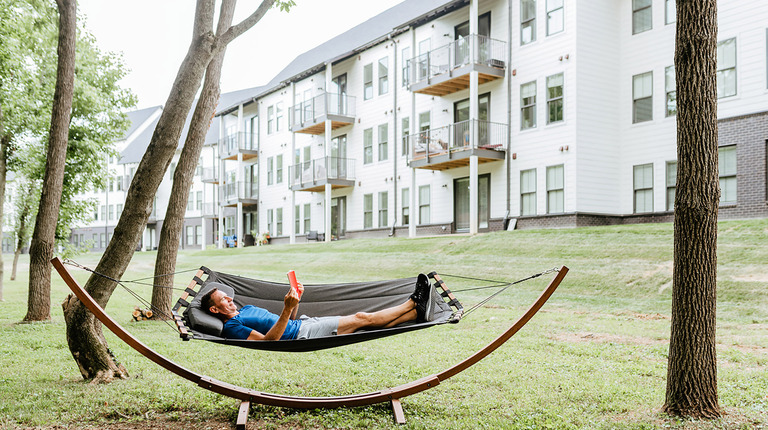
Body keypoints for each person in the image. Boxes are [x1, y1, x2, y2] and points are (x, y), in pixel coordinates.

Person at [201, 274, 435, 341]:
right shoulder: (233, 325)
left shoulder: (246, 308)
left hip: (301, 324)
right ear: (214, 310)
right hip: (302, 334)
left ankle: (416, 313)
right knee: (362, 317)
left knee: (363, 324)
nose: (230, 299)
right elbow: (268, 342)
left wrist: (295, 302)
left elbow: (288, 319)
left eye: (228, 296)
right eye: (224, 300)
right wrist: (285, 310)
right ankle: (414, 301)